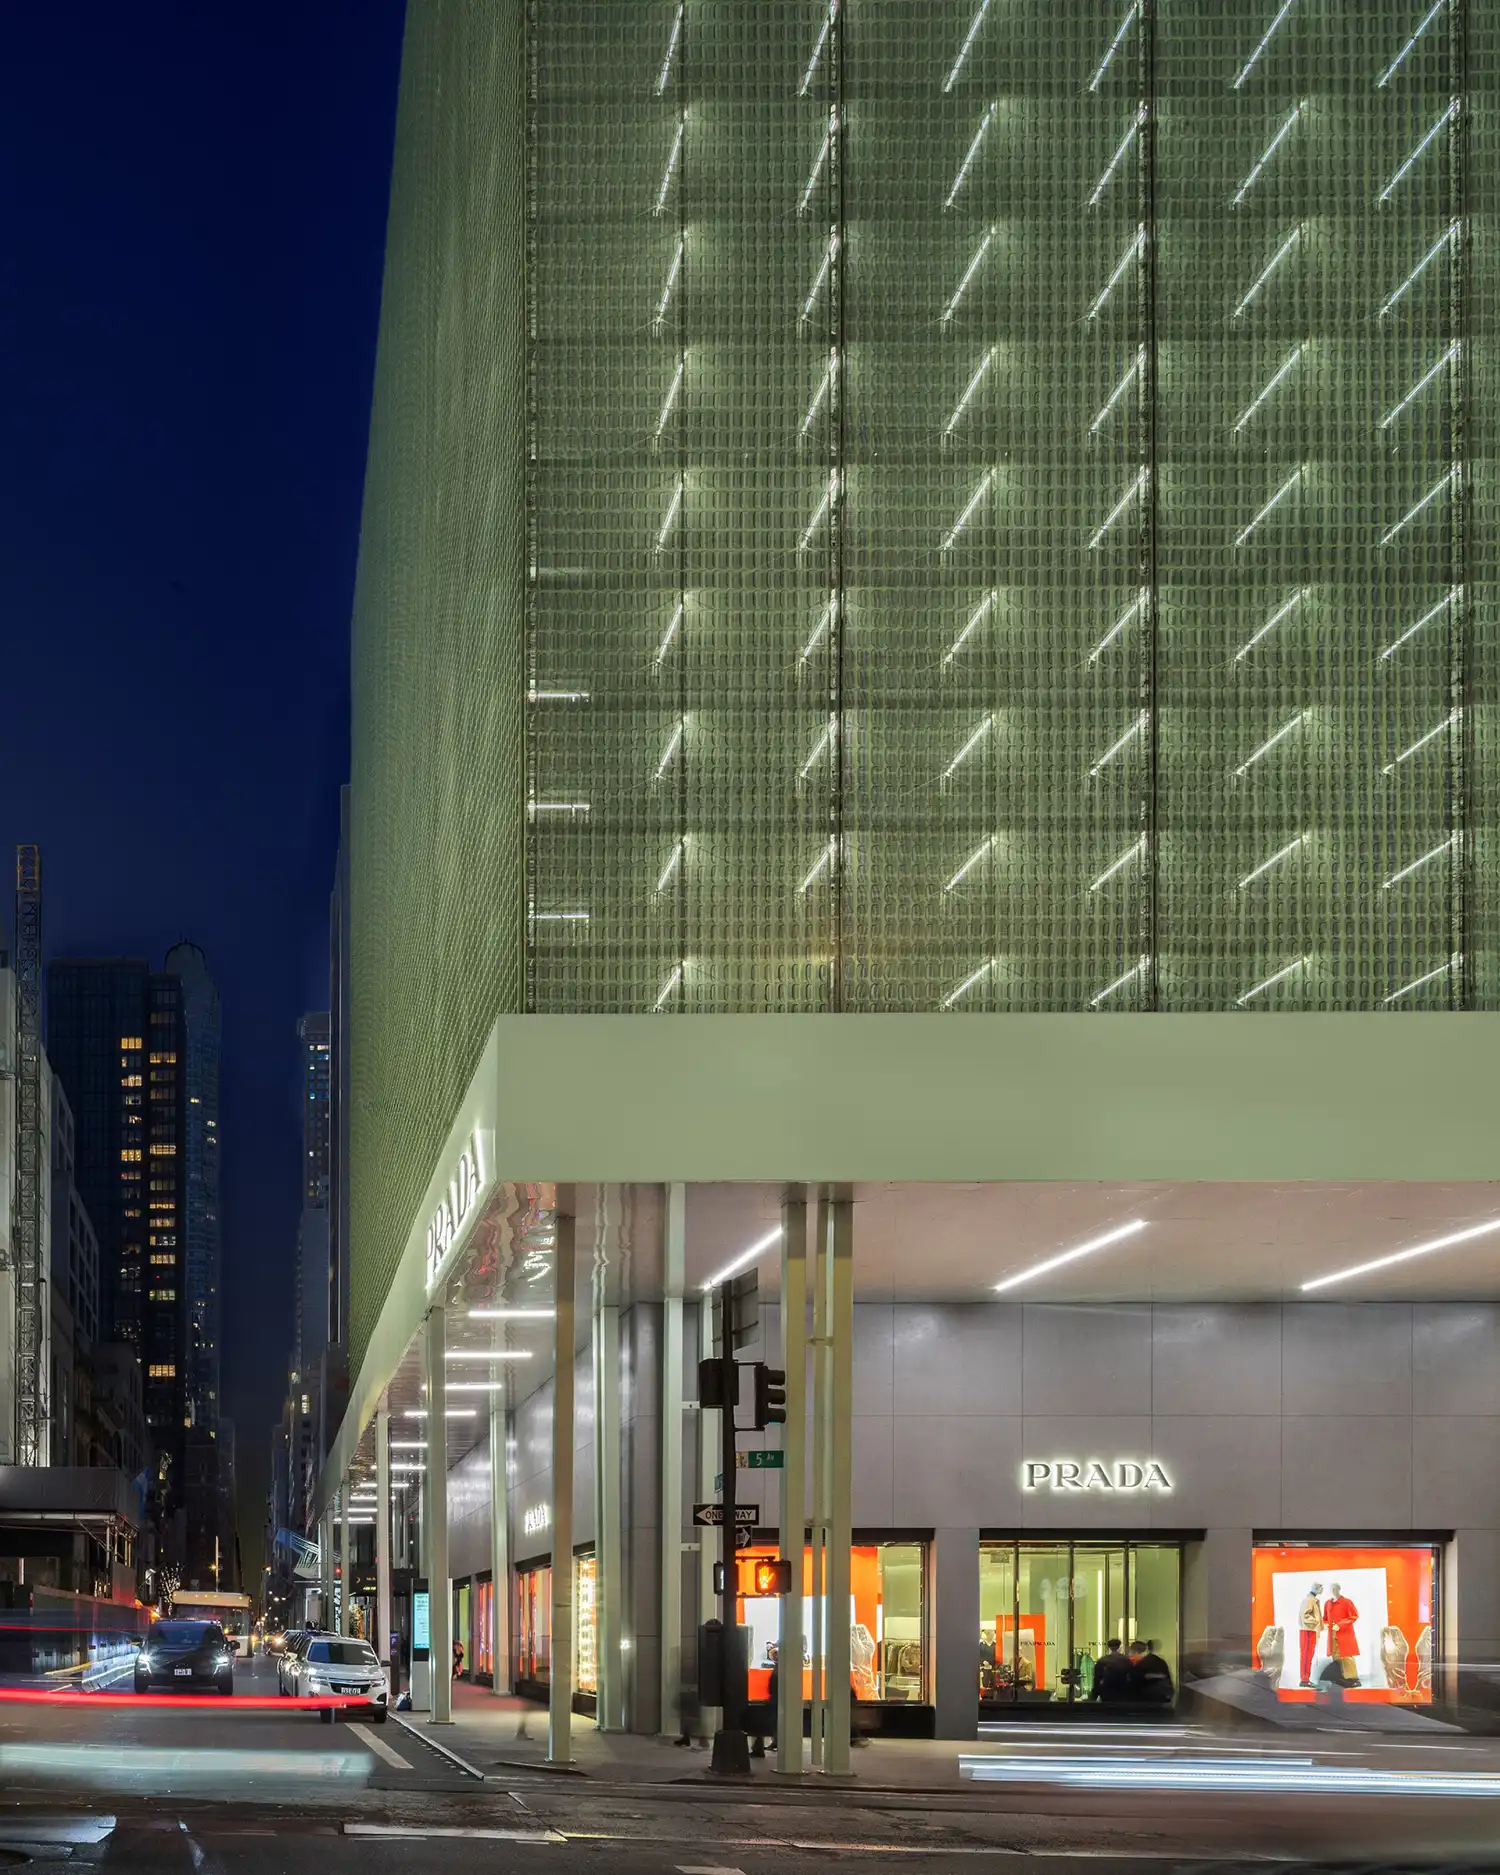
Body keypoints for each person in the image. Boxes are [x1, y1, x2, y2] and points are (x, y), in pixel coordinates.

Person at [1127, 1639, 1174, 1705]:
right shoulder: (1160, 1661)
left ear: (1135, 1651)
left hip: (1146, 1698)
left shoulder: (1141, 1663)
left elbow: (1135, 1680)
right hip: (1162, 1696)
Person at [1297, 1581, 1324, 1688]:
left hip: (1310, 1631)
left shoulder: (1312, 1600)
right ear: (1317, 1588)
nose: (1322, 1589)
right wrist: (1316, 1621)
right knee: (1306, 1655)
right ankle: (1304, 1680)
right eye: (1321, 1587)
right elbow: (1305, 1616)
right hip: (1308, 1631)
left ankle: (1305, 1679)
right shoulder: (1309, 1600)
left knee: (1308, 1655)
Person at [1089, 1637, 1133, 1703]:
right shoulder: (1126, 1660)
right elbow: (1131, 1676)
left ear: (1109, 1647)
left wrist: (1095, 1693)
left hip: (1107, 1690)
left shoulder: (1102, 1660)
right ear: (1119, 1647)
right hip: (1122, 1690)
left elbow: (1097, 1678)